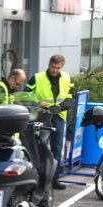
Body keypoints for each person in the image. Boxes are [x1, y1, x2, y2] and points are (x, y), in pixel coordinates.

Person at [25, 54, 72, 189]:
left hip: (59, 116)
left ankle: (55, 179)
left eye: (58, 68)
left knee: (57, 148)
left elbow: (71, 97)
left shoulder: (67, 78)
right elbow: (25, 95)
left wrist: (61, 107)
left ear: (61, 67)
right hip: (42, 116)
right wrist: (36, 103)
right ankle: (40, 180)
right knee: (41, 147)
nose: (55, 70)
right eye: (53, 67)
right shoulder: (37, 78)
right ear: (49, 64)